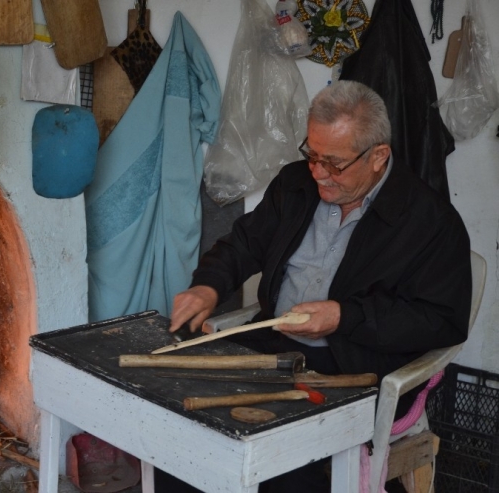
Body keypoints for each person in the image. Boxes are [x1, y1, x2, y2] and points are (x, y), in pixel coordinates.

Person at [166, 80, 472, 492]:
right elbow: (245, 243)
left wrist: (344, 317)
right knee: (183, 434)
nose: (318, 173)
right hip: (273, 349)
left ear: (379, 156)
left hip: (351, 367)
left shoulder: (430, 222)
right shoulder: (295, 185)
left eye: (334, 164)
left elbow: (440, 321)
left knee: (282, 464)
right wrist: (208, 286)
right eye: (312, 155)